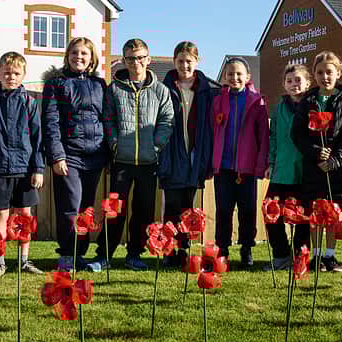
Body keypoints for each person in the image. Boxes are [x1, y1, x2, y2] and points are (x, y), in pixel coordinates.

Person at [91, 38, 174, 271]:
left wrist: (156, 145)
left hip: (148, 162)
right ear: (124, 60)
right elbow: (108, 119)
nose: (135, 62)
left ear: (148, 59)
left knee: (143, 211)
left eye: (139, 58)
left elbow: (167, 120)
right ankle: (104, 255)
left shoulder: (160, 90)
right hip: (121, 161)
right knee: (114, 211)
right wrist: (114, 144)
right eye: (130, 58)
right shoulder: (114, 89)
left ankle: (134, 255)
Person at [42, 37, 108, 272]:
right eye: (74, 53)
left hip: (95, 156)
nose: (78, 57)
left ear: (91, 59)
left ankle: (80, 254)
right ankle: (67, 254)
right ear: (67, 56)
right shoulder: (56, 84)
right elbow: (50, 121)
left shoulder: (99, 85)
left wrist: (107, 152)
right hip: (68, 155)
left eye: (84, 54)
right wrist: (57, 156)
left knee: (85, 209)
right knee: (70, 206)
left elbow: (106, 118)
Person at [291, 51, 342, 273]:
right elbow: (297, 133)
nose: (325, 77)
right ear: (315, 74)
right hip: (314, 167)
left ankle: (330, 255)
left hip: (337, 168)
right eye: (320, 72)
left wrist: (334, 160)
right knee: (316, 212)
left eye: (329, 72)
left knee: (333, 212)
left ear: (338, 73)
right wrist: (315, 152)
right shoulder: (308, 100)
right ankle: (317, 255)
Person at [0, 52, 45, 278]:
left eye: (16, 73)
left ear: (23, 75)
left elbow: (37, 138)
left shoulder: (29, 102)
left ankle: (24, 260)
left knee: (24, 216)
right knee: (0, 216)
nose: (11, 77)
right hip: (0, 171)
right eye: (7, 73)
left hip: (25, 170)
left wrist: (38, 169)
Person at [157, 41, 219, 267]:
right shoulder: (164, 88)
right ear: (174, 62)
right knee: (171, 205)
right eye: (180, 61)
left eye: (189, 61)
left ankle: (183, 249)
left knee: (188, 206)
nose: (185, 65)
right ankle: (168, 249)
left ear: (197, 61)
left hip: (195, 153)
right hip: (172, 153)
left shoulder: (207, 91)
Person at [211, 57, 269, 267]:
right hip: (224, 168)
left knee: (247, 211)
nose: (234, 77)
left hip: (247, 169)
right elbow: (212, 131)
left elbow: (263, 137)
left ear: (247, 77)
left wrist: (260, 165)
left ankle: (246, 249)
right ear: (224, 76)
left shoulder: (257, 102)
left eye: (239, 74)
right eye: (230, 74)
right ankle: (222, 249)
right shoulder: (218, 101)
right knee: (223, 211)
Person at [264, 64, 311, 271]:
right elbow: (273, 137)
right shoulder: (279, 108)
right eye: (289, 81)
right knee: (271, 213)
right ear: (284, 84)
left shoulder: (312, 105)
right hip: (281, 170)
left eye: (298, 80)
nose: (294, 84)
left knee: (303, 217)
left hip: (304, 171)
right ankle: (281, 255)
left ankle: (300, 256)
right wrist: (271, 162)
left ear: (307, 83)